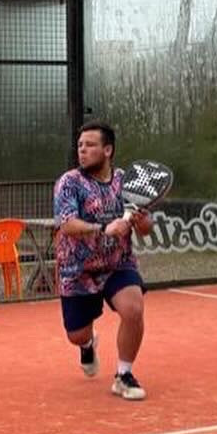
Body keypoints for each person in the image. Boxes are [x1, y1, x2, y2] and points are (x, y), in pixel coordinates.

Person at [52, 122, 154, 400]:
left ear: (107, 150)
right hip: (78, 270)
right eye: (80, 145)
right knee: (76, 334)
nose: (82, 150)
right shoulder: (69, 182)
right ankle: (87, 345)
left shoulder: (126, 182)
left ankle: (123, 375)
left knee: (133, 309)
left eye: (90, 145)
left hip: (118, 263)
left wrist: (142, 221)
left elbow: (146, 228)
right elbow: (67, 224)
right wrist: (103, 228)